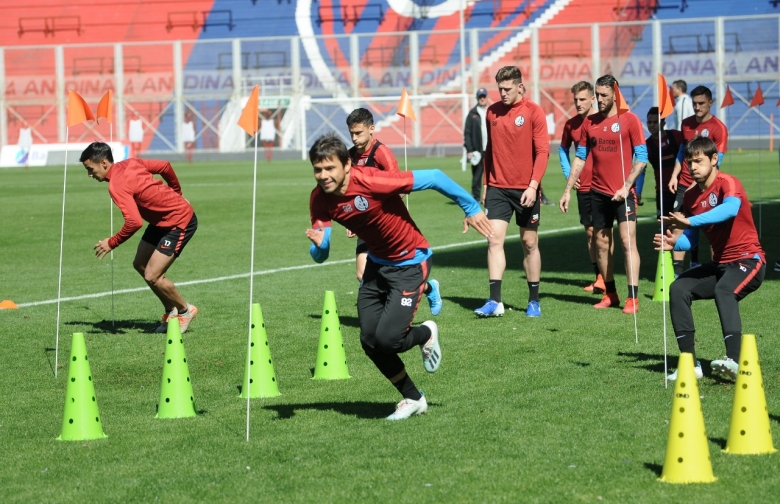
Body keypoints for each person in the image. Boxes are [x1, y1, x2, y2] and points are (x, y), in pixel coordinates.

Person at [306, 133, 492, 420]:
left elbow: (434, 176)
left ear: (346, 164)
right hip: (377, 266)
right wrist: (319, 247)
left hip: (410, 262)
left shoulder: (371, 181)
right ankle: (413, 398)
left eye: (330, 168)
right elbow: (323, 252)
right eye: (318, 169)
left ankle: (427, 332)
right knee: (369, 341)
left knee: (389, 341)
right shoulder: (319, 199)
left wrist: (471, 208)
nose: (323, 175)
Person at [654, 137, 765, 381]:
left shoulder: (728, 183)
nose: (693, 167)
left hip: (749, 261)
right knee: (678, 288)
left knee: (725, 290)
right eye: (690, 162)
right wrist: (674, 243)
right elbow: (691, 241)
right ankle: (689, 365)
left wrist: (689, 221)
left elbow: (730, 209)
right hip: (720, 265)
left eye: (699, 161)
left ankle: (734, 360)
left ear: (714, 160)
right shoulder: (692, 196)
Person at [79, 142, 199, 333]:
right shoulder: (131, 163)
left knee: (152, 274)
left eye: (90, 169)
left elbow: (134, 222)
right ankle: (171, 310)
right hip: (160, 222)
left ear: (103, 163)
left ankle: (185, 310)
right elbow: (165, 167)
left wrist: (111, 242)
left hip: (179, 221)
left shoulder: (116, 186)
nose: (90, 175)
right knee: (140, 264)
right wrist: (176, 192)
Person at [559, 75, 648, 314]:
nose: (599, 99)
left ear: (615, 94)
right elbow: (579, 157)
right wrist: (567, 190)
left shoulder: (630, 120)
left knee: (628, 242)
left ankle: (633, 297)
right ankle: (611, 294)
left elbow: (642, 158)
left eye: (604, 95)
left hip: (624, 193)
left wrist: (627, 185)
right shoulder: (590, 123)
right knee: (600, 243)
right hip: (596, 193)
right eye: (597, 95)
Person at [345, 108, 442, 315]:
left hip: (386, 225)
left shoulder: (382, 153)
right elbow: (350, 191)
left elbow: (397, 185)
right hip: (366, 226)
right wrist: (352, 221)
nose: (354, 138)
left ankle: (428, 288)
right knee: (362, 273)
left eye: (358, 133)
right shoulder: (350, 156)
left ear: (372, 129)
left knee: (393, 276)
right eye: (351, 133)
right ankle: (385, 310)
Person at [473, 66, 549, 318]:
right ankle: (495, 301)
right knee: (494, 239)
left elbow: (542, 152)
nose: (503, 93)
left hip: (526, 189)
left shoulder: (533, 112)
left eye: (507, 89)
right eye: (500, 89)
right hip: (497, 188)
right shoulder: (492, 112)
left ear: (519, 86)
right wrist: (485, 185)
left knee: (529, 243)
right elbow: (489, 150)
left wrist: (533, 185)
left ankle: (534, 300)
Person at [669, 85, 729, 269]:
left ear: (711, 103)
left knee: (713, 230)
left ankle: (717, 270)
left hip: (709, 187)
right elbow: (681, 151)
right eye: (695, 103)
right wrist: (674, 175)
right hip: (683, 185)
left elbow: (716, 162)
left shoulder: (719, 128)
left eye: (701, 103)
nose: (697, 107)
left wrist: (696, 184)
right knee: (678, 225)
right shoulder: (686, 123)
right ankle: (679, 273)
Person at [559, 80, 607, 293]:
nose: (578, 103)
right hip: (584, 186)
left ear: (592, 99)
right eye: (575, 100)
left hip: (605, 184)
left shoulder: (603, 121)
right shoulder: (570, 125)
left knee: (603, 233)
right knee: (589, 232)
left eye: (582, 99)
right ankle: (599, 277)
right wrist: (569, 174)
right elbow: (562, 150)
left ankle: (608, 276)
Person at [646, 106, 686, 276]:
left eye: (655, 122)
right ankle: (666, 265)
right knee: (664, 226)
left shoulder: (676, 136)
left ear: (663, 122)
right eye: (649, 122)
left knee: (679, 225)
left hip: (680, 188)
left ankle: (683, 266)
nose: (652, 125)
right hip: (661, 191)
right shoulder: (647, 145)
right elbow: (641, 169)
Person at [464, 87, 489, 201]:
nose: (482, 99)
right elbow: (467, 132)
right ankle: (476, 197)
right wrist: (469, 149)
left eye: (484, 96)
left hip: (490, 149)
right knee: (477, 176)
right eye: (480, 97)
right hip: (477, 150)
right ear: (477, 98)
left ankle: (491, 196)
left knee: (492, 175)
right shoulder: (472, 113)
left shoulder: (491, 111)